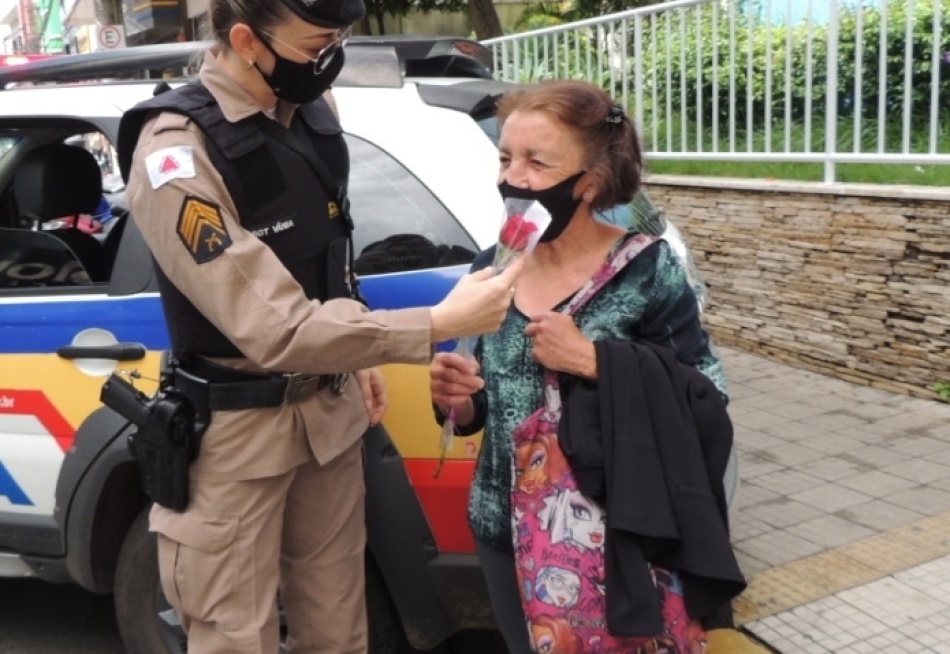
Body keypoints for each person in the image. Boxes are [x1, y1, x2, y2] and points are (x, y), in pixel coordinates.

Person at [116, 0, 522, 651]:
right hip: (239, 433)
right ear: (247, 39)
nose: (328, 58)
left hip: (328, 414)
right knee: (231, 635)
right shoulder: (177, 153)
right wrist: (435, 324)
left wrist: (356, 354)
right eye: (315, 44)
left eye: (337, 39)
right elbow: (272, 325)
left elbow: (325, 253)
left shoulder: (307, 116)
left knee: (337, 623)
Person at [429, 80, 744, 653]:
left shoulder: (646, 270)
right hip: (500, 525)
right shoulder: (492, 265)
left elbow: (708, 395)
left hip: (614, 534)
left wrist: (596, 361)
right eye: (504, 157)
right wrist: (459, 401)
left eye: (536, 162)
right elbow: (478, 405)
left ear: (591, 182)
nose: (511, 177)